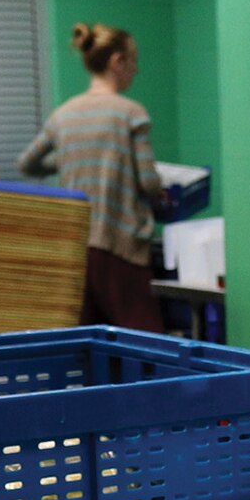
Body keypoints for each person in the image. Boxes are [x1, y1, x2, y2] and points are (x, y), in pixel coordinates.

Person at [19, 22, 166, 333]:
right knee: (143, 341)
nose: (136, 70)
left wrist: (69, 159)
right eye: (133, 61)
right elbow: (148, 182)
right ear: (117, 62)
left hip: (77, 247)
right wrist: (162, 193)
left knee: (87, 340)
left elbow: (27, 163)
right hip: (120, 246)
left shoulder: (64, 114)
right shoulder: (130, 112)